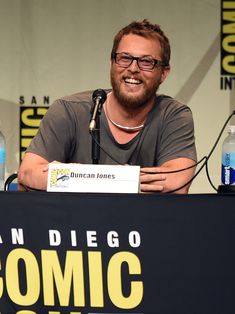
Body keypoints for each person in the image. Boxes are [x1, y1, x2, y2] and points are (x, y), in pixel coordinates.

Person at [18, 19, 197, 193]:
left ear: (164, 73)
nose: (133, 68)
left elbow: (177, 182)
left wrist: (75, 178)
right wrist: (118, 181)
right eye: (125, 58)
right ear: (112, 63)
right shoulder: (67, 111)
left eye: (146, 62)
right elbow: (28, 175)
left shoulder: (173, 116)